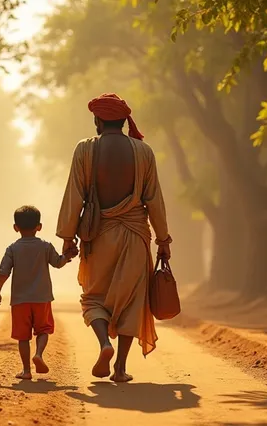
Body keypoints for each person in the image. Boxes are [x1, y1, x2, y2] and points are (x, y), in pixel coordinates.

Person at [56, 93, 172, 383]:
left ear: (97, 120)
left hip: (98, 237)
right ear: (123, 121)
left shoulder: (85, 149)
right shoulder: (143, 152)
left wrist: (68, 237)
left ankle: (103, 344)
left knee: (94, 298)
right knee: (133, 301)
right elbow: (154, 200)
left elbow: (75, 195)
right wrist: (164, 240)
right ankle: (120, 367)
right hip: (135, 236)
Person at [0, 205, 77, 380]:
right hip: (42, 298)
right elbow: (58, 263)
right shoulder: (45, 246)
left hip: (20, 301)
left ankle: (26, 371)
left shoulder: (12, 249)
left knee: (23, 337)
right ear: (39, 226)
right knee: (43, 330)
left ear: (16, 227)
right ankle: (38, 353)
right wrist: (68, 256)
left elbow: (3, 272)